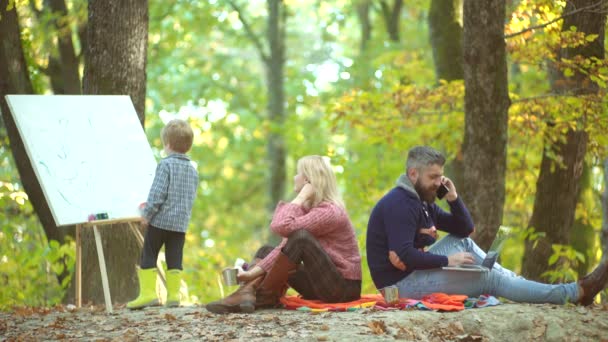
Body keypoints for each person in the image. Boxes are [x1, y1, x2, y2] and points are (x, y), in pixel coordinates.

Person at [367, 145, 608, 305]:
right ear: (412, 174)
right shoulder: (400, 203)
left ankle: (513, 280)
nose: (437, 182)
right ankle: (574, 293)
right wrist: (448, 261)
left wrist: (453, 197)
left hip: (412, 273)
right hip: (397, 289)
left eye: (440, 176)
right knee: (487, 279)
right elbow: (404, 255)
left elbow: (464, 229)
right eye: (432, 177)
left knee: (465, 242)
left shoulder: (423, 201)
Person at [206, 155, 362, 314]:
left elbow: (280, 226)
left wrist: (300, 197)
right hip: (320, 284)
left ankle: (258, 297)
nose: (295, 177)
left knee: (300, 237)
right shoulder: (309, 210)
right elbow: (284, 246)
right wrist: (249, 274)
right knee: (266, 251)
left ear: (308, 180)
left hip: (342, 288)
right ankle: (247, 294)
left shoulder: (330, 212)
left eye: (297, 173)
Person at [127, 119, 199, 309]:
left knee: (149, 254)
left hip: (160, 222)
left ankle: (148, 294)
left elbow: (157, 194)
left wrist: (147, 213)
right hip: (180, 225)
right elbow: (190, 197)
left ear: (167, 144)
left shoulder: (165, 165)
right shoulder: (193, 170)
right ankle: (174, 296)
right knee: (175, 258)